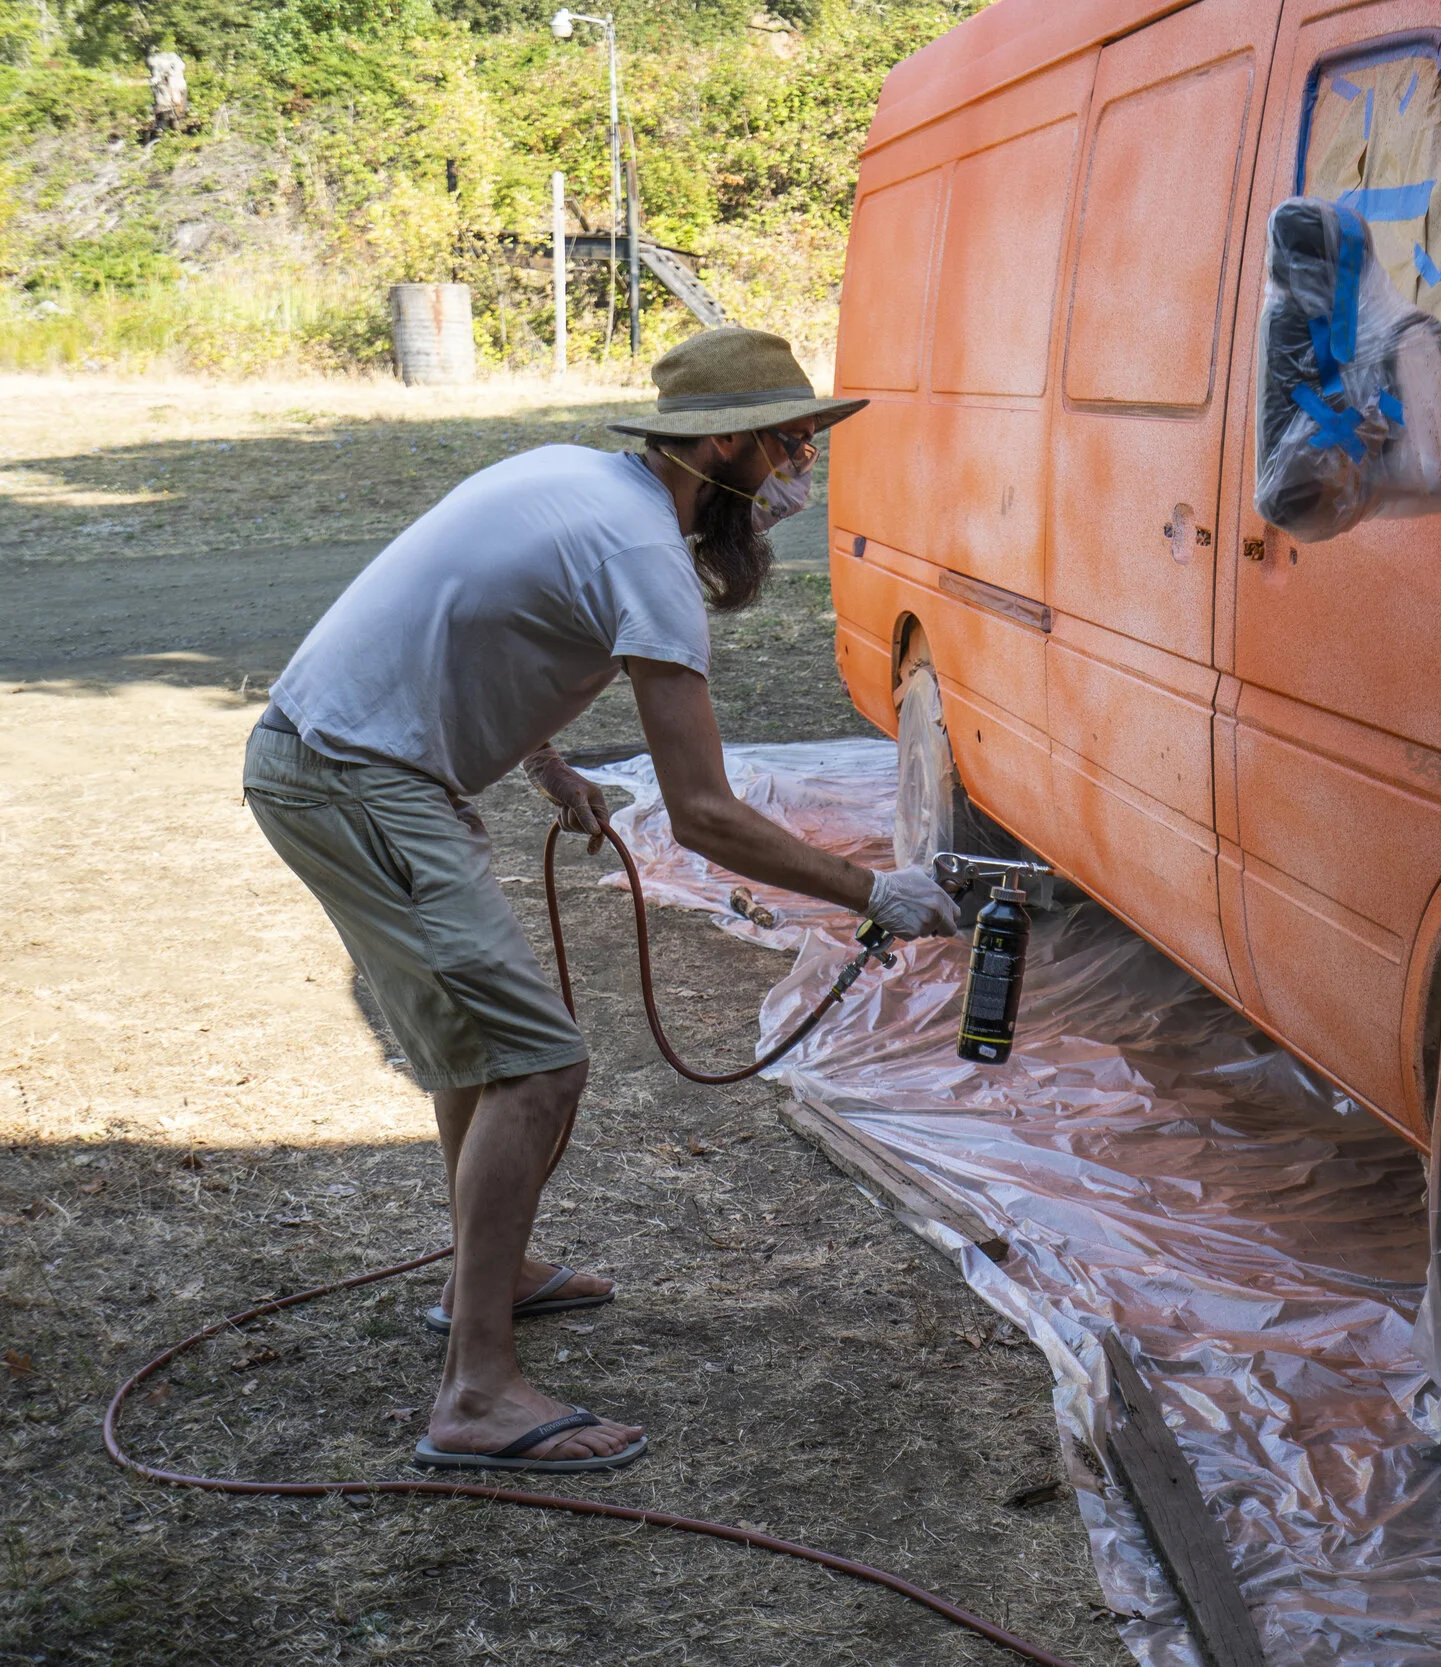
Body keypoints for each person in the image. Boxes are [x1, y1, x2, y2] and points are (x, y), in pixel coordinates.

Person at [243, 327, 960, 1472]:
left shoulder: (577, 483)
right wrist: (878, 889)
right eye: (788, 443)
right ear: (718, 446)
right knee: (537, 1065)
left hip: (345, 761)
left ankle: (485, 1281)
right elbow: (706, 814)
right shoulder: (645, 554)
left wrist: (548, 763)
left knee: (483, 1054)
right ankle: (475, 1393)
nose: (802, 469)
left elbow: (475, 620)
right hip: (353, 778)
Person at [145, 48, 187, 140]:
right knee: (169, 116)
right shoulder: (174, 70)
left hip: (168, 101)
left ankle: (171, 134)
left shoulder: (170, 73)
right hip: (168, 101)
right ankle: (169, 134)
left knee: (170, 116)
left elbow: (156, 81)